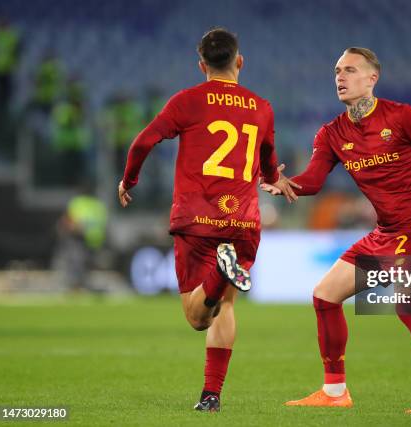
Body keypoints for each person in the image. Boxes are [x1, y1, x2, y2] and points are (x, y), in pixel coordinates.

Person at [261, 47, 411, 414]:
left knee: (408, 304)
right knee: (325, 295)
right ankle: (334, 392)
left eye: (349, 70)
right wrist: (286, 183)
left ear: (372, 78)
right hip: (387, 232)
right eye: (336, 71)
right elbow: (313, 181)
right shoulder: (332, 133)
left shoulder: (402, 117)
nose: (340, 78)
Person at [118, 28, 289, 412]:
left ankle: (218, 275)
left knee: (198, 318)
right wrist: (274, 180)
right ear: (239, 61)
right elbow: (267, 165)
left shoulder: (187, 101)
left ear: (201, 66)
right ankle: (211, 396)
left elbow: (143, 141)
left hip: (198, 219)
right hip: (242, 221)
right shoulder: (261, 106)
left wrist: (129, 180)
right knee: (225, 308)